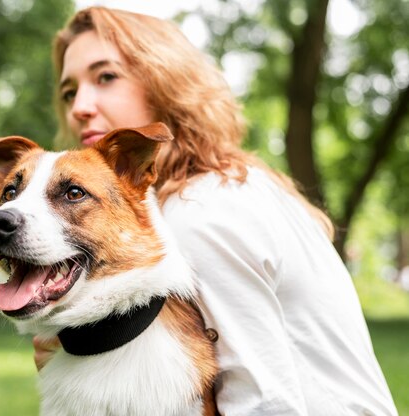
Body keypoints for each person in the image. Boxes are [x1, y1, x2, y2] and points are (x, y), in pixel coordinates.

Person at [33, 6, 398, 415]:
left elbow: (265, 406)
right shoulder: (232, 183)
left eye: (106, 77)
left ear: (165, 82)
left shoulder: (200, 212)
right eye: (69, 91)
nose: (79, 106)